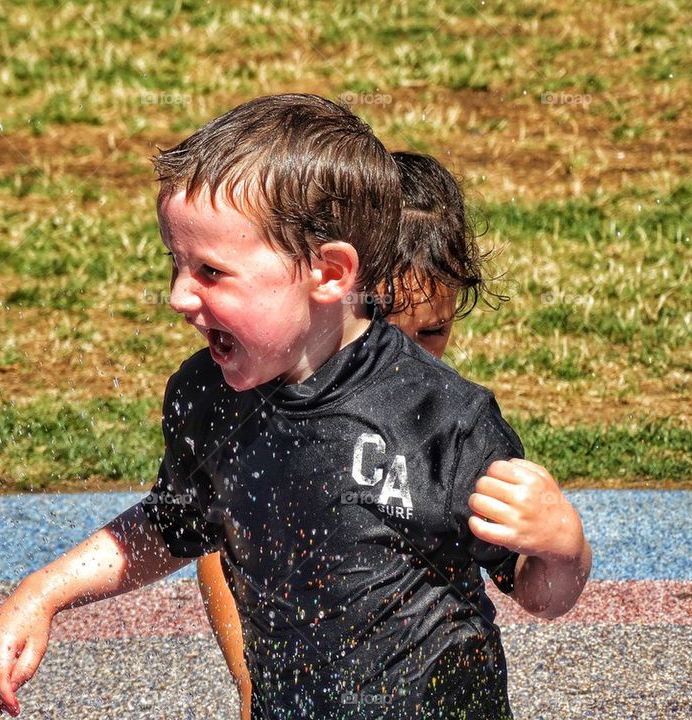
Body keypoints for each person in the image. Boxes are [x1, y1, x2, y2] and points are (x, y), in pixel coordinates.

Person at [0, 94, 591, 720]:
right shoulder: (208, 396)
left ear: (329, 273)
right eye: (175, 265)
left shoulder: (440, 416)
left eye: (210, 271)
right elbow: (171, 528)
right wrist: (42, 593)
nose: (180, 296)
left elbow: (538, 592)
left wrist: (564, 549)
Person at [195, 149, 514, 719]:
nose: (408, 360)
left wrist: (561, 544)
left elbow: (526, 575)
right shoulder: (274, 404)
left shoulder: (448, 417)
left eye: (434, 332)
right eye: (388, 331)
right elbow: (215, 543)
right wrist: (249, 681)